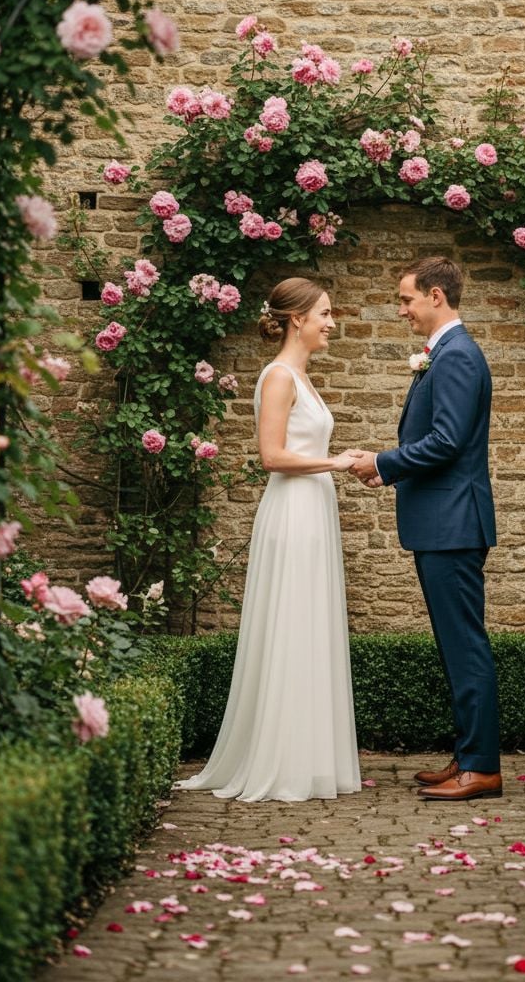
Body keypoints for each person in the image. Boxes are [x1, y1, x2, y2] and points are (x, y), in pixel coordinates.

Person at [177, 278, 361, 802]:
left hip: (314, 508)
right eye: (324, 313)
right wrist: (336, 462)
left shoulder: (302, 377)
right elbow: (272, 457)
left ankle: (309, 759)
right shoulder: (278, 376)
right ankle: (281, 762)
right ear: (297, 319)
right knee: (292, 623)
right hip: (293, 511)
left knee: (311, 625)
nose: (331, 323)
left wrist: (337, 463)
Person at [349, 256, 501, 801]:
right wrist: (388, 468)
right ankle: (467, 755)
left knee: (465, 646)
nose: (402, 310)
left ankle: (481, 767)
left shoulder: (456, 355)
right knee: (454, 645)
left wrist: (382, 462)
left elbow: (447, 442)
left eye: (407, 299)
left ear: (436, 295)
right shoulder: (446, 354)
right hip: (444, 524)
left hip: (452, 524)